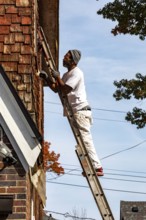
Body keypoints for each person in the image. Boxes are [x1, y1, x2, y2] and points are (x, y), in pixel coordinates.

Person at [39, 49, 104, 176]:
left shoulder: (77, 73)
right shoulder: (66, 75)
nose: (64, 58)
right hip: (75, 112)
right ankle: (89, 167)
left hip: (81, 111)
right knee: (81, 143)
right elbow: (57, 89)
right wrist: (46, 78)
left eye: (66, 56)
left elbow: (65, 90)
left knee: (85, 139)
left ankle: (97, 167)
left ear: (73, 60)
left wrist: (57, 76)